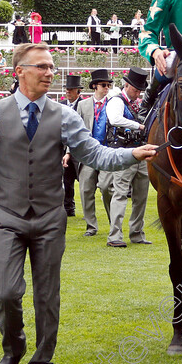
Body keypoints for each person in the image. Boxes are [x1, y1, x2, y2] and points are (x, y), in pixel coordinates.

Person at [0, 42, 158, 364]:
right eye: (42, 67)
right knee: (5, 293)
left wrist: (131, 154)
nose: (50, 72)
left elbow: (93, 154)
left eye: (52, 67)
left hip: (49, 219)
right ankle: (12, 349)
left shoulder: (65, 116)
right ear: (19, 72)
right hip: (6, 217)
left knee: (47, 297)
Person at [104, 67, 151, 247]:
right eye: (135, 89)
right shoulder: (116, 101)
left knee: (141, 196)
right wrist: (138, 126)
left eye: (140, 90)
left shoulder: (137, 104)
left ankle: (137, 233)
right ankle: (115, 236)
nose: (138, 92)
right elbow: (114, 119)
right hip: (123, 153)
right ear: (127, 85)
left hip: (140, 152)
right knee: (120, 193)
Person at [75, 69, 115, 236]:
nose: (106, 88)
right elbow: (74, 130)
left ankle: (114, 223)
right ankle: (91, 227)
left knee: (106, 188)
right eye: (103, 85)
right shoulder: (82, 105)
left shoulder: (114, 103)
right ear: (94, 86)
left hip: (107, 152)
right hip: (88, 154)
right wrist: (69, 152)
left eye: (108, 85)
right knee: (85, 190)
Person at [59, 75, 85, 217]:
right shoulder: (61, 105)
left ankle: (87, 208)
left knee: (82, 178)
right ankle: (69, 208)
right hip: (64, 148)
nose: (68, 92)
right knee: (66, 180)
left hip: (79, 147)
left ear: (78, 91)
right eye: (67, 89)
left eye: (71, 89)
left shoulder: (84, 105)